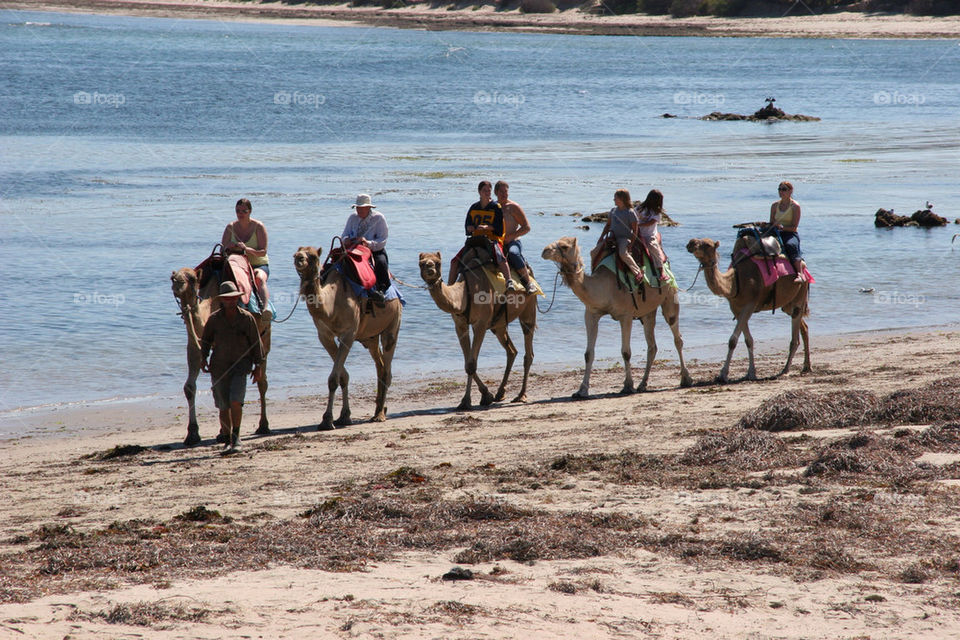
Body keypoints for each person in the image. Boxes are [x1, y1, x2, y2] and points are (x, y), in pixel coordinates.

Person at [201, 281, 264, 455]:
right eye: (227, 299)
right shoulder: (214, 319)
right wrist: (202, 358)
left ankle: (236, 438)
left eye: (234, 298)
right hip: (219, 367)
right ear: (222, 300)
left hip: (241, 366)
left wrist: (258, 366)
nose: (231, 301)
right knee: (223, 406)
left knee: (236, 401)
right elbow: (205, 341)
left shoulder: (247, 318)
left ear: (238, 298)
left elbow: (256, 344)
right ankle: (228, 439)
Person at [449, 180, 515, 290]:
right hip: (476, 239)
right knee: (454, 261)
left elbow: (499, 228)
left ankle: (509, 281)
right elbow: (467, 227)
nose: (487, 193)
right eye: (485, 191)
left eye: (489, 191)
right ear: (479, 192)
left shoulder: (496, 207)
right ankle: (450, 287)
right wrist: (472, 228)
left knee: (500, 258)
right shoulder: (474, 207)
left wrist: (487, 227)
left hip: (492, 239)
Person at [221, 198, 271, 320]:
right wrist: (228, 247)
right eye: (238, 211)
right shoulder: (230, 227)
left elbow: (263, 252)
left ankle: (264, 309)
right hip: (237, 266)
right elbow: (221, 251)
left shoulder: (258, 226)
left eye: (244, 211)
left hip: (257, 264)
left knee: (259, 278)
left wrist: (246, 249)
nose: (240, 214)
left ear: (250, 212)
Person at [342, 193, 390, 302]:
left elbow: (382, 240)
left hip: (373, 251)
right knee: (336, 259)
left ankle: (381, 289)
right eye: (358, 208)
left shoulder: (379, 218)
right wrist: (346, 240)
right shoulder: (352, 218)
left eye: (362, 208)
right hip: (353, 250)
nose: (359, 210)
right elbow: (344, 234)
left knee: (381, 262)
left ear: (369, 207)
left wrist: (367, 243)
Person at [495, 180, 537, 294]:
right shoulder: (493, 207)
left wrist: (511, 236)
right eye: (501, 192)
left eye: (506, 192)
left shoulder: (513, 207)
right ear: (496, 192)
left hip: (512, 241)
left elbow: (526, 227)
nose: (504, 194)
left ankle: (528, 283)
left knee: (513, 253)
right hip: (496, 242)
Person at [593, 188, 643, 282]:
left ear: (622, 199)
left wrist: (631, 244)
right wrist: (601, 237)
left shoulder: (630, 212)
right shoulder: (613, 211)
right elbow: (608, 225)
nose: (614, 200)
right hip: (612, 237)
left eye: (615, 198)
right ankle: (594, 271)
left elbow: (635, 230)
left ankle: (637, 272)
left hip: (623, 238)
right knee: (594, 252)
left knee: (622, 253)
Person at [767, 181, 806, 283]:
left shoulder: (795, 206)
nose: (781, 192)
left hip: (789, 233)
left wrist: (782, 228)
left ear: (790, 191)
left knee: (790, 245)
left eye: (784, 189)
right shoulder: (774, 205)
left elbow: (794, 227)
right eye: (779, 189)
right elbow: (771, 222)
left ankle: (800, 274)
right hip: (776, 232)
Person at [636, 189, 670, 282]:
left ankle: (661, 271)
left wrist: (639, 225)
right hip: (637, 234)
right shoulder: (640, 208)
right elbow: (633, 216)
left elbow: (651, 222)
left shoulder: (656, 212)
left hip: (649, 235)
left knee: (654, 248)